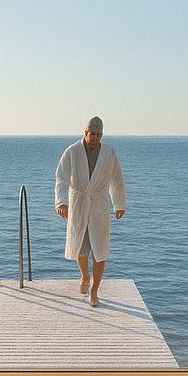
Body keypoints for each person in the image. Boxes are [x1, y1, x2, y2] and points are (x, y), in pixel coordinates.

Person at [55, 116, 126, 308]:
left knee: (100, 251)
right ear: (85, 133)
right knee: (80, 247)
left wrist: (119, 204)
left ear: (102, 135)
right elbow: (61, 177)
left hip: (99, 206)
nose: (94, 138)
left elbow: (117, 179)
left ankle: (94, 291)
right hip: (78, 203)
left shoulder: (109, 153)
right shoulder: (72, 151)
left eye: (98, 135)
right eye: (91, 134)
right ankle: (85, 276)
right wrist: (61, 202)